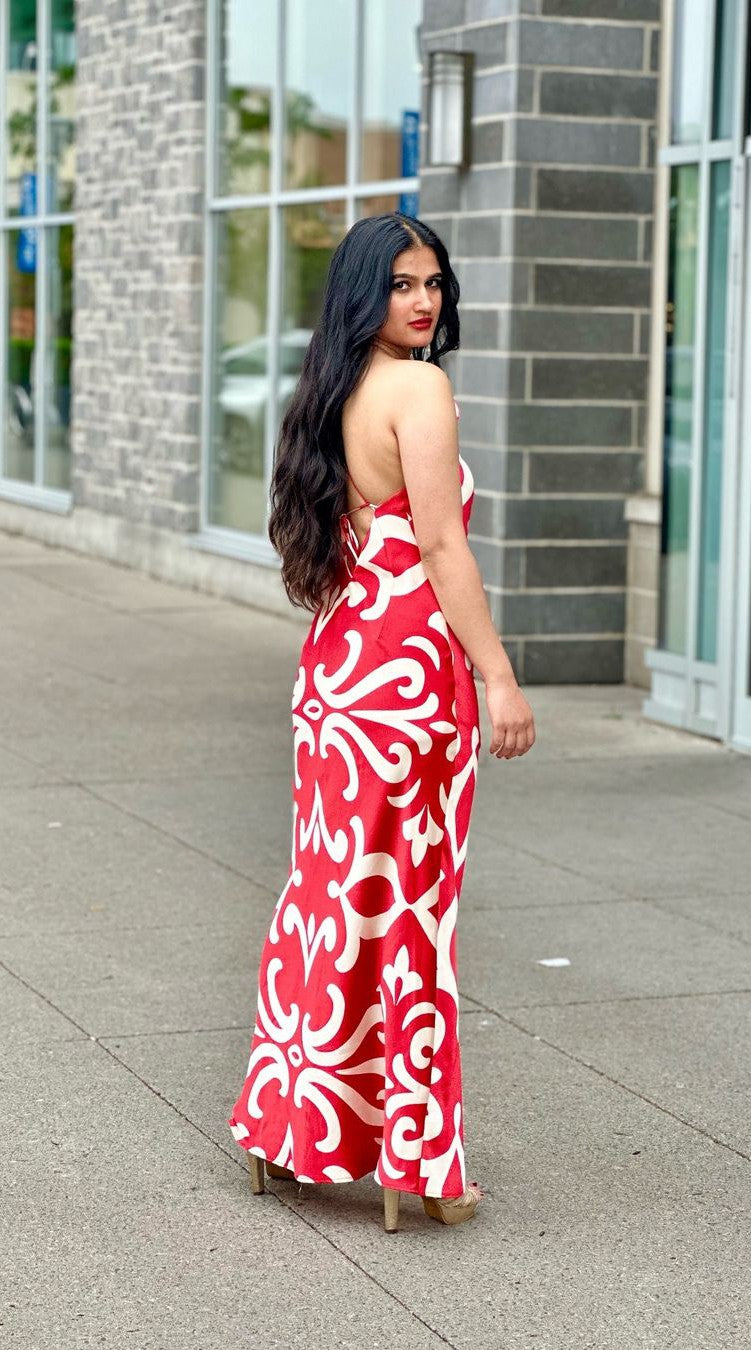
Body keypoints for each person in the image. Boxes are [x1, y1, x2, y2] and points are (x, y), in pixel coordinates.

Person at [227, 212, 535, 1233]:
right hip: (406, 678)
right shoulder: (420, 388)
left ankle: (292, 1131)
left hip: (335, 675)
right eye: (403, 283)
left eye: (434, 282)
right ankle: (418, 1162)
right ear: (367, 290)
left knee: (326, 898)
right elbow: (443, 548)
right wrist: (496, 674)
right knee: (409, 914)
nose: (424, 300)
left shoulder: (329, 389)